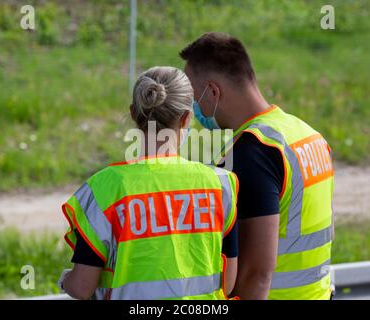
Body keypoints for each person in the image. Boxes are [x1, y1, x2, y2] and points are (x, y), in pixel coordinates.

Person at [58, 66, 239, 300]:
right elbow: (230, 281)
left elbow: (82, 287)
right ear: (186, 118)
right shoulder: (220, 185)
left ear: (134, 113)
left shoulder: (106, 188)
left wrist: (65, 280)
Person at [180, 33, 334, 300]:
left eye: (194, 98)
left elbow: (256, 274)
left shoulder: (254, 152)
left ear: (214, 91)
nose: (193, 110)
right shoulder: (306, 134)